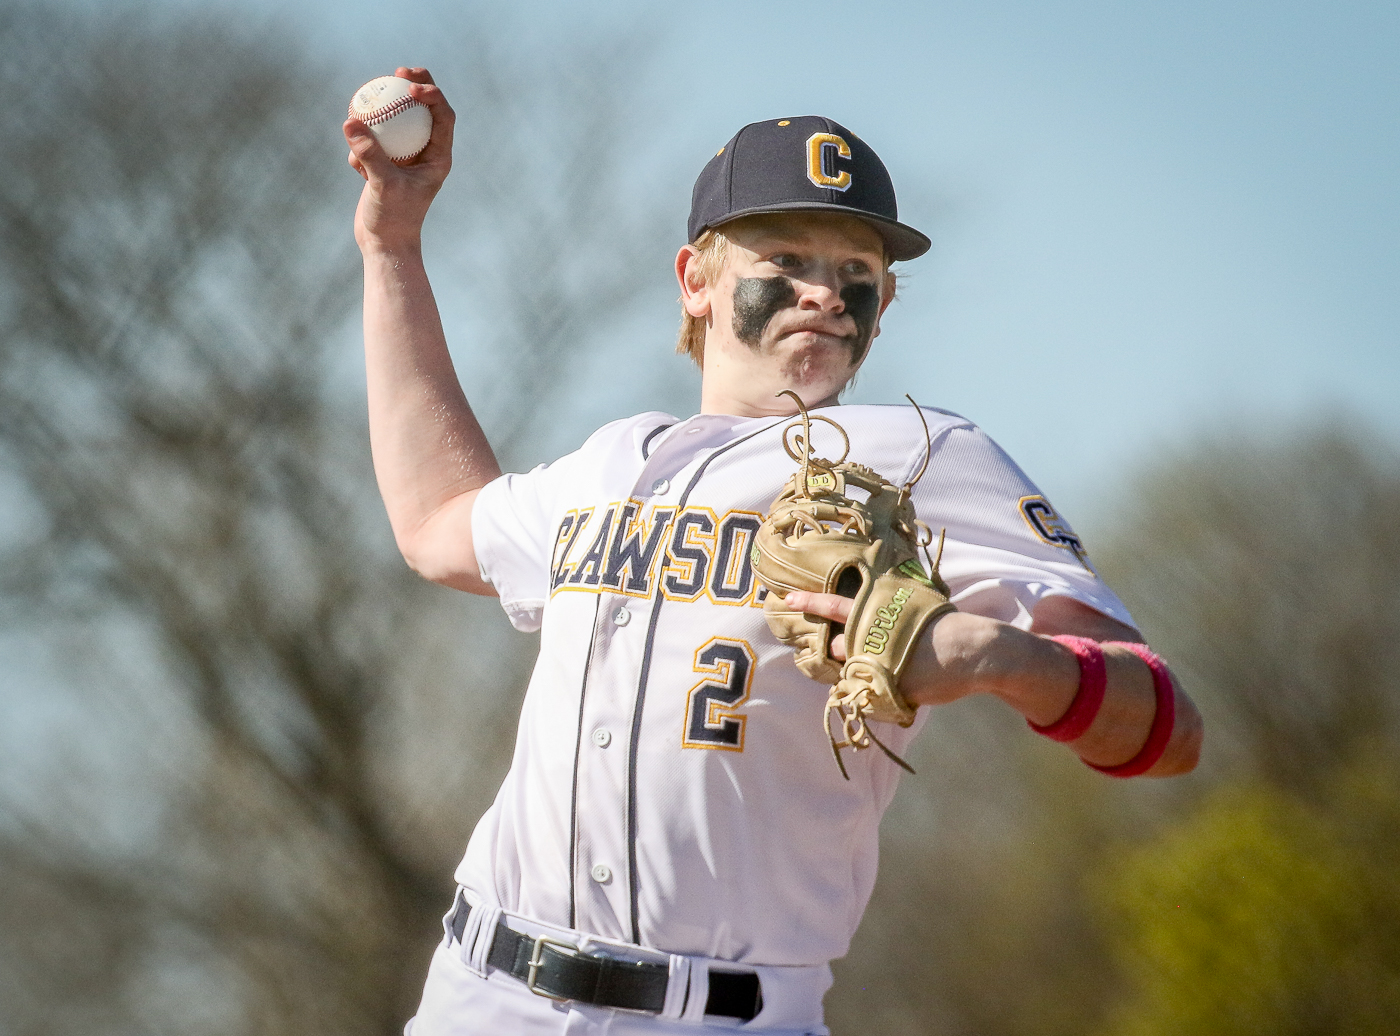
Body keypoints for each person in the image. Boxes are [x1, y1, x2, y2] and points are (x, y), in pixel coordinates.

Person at [344, 68, 1203, 1036]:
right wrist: (391, 243)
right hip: (485, 993)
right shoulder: (609, 462)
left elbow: (1169, 729)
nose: (825, 291)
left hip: (726, 1015)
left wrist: (1001, 658)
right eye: (786, 257)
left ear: (885, 300)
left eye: (856, 269)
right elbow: (437, 521)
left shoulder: (923, 458)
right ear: (696, 281)